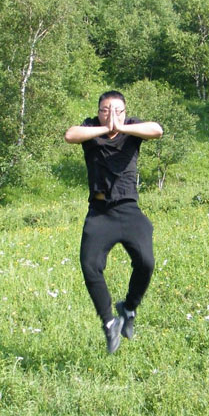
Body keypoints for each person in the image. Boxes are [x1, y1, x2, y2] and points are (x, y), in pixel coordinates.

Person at [64, 90, 163, 353]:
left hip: (129, 209)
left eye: (117, 110)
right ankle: (109, 323)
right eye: (105, 110)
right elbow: (69, 135)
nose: (111, 115)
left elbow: (157, 130)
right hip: (99, 212)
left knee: (146, 262)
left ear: (125, 112)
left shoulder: (132, 128)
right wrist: (102, 129)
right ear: (98, 111)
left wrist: (121, 126)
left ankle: (128, 309)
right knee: (89, 265)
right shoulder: (89, 129)